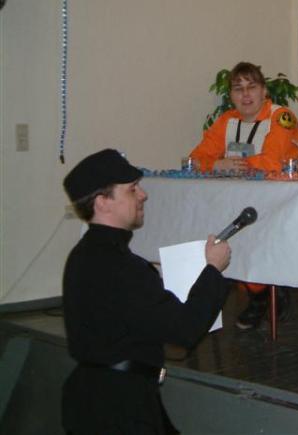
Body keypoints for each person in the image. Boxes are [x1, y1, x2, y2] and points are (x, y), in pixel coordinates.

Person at [61, 148, 231, 434]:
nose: (143, 195)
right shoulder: (119, 266)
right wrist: (213, 270)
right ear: (103, 202)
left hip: (99, 395)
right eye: (132, 189)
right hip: (119, 406)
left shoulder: (84, 255)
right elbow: (184, 329)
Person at [190, 61, 298, 330]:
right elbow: (195, 159)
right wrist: (215, 165)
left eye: (251, 87)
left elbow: (273, 162)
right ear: (231, 95)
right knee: (207, 226)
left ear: (264, 91)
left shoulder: (281, 116)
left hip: (281, 203)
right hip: (239, 201)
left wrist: (233, 165)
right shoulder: (226, 120)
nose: (245, 95)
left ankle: (262, 293)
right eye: (238, 89)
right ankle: (253, 291)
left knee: (248, 233)